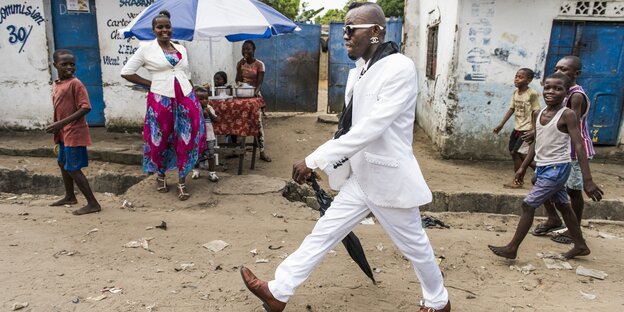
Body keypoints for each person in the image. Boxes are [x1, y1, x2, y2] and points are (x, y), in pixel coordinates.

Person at [240, 3, 450, 312]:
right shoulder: (361, 71)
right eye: (344, 29)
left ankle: (438, 301)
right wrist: (329, 164)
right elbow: (347, 129)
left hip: (388, 178)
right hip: (361, 177)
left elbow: (372, 128)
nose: (345, 36)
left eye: (352, 29)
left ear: (376, 32)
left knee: (415, 246)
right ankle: (278, 291)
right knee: (323, 232)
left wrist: (315, 159)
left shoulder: (399, 68)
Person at [488, 72, 603, 260]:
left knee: (528, 205)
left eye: (558, 89)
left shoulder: (567, 115)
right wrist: (523, 167)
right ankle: (581, 245)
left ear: (566, 93)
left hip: (558, 168)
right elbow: (536, 144)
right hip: (543, 167)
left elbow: (579, 146)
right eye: (548, 87)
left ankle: (512, 248)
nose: (551, 91)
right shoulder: (538, 113)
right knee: (564, 206)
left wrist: (588, 180)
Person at [121, 10, 205, 201]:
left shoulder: (181, 48)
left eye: (167, 26)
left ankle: (182, 182)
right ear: (153, 30)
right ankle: (160, 175)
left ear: (171, 28)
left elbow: (186, 74)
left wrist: (195, 99)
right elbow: (126, 71)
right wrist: (151, 84)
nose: (164, 30)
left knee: (185, 138)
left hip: (185, 98)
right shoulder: (146, 49)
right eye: (160, 27)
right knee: (161, 139)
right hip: (161, 99)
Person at [532, 56, 597, 242]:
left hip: (573, 151)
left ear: (576, 74)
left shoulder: (576, 95)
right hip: (558, 149)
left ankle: (573, 228)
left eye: (564, 69)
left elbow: (570, 126)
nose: (559, 73)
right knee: (541, 181)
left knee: (573, 191)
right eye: (557, 68)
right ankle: (553, 218)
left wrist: (588, 179)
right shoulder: (561, 91)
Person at [46, 49, 101, 216]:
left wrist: (60, 123)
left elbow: (85, 107)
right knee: (63, 163)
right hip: (63, 132)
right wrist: (57, 126)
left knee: (73, 167)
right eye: (64, 64)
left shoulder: (76, 83)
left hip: (74, 132)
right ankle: (70, 196)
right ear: (55, 65)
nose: (69, 67)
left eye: (72, 64)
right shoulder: (57, 83)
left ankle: (93, 203)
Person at [493, 68, 541, 188]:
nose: (517, 79)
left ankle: (539, 173)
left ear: (529, 80)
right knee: (514, 153)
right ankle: (520, 180)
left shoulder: (532, 94)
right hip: (517, 128)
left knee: (520, 153)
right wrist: (501, 124)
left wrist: (534, 130)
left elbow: (536, 111)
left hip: (527, 129)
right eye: (516, 76)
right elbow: (512, 109)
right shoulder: (515, 93)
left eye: (521, 77)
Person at [235, 40, 271, 162]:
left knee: (257, 123)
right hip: (241, 95)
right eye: (244, 49)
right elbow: (238, 81)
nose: (246, 51)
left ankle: (262, 151)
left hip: (254, 95)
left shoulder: (259, 64)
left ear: (254, 50)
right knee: (237, 119)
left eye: (248, 49)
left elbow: (259, 83)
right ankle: (236, 148)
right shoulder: (240, 64)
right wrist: (239, 67)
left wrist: (254, 94)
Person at [192, 86, 219, 182]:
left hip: (209, 137)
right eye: (201, 99)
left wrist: (209, 114)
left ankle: (212, 173)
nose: (204, 101)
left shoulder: (209, 108)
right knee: (196, 154)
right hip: (197, 137)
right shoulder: (193, 109)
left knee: (210, 155)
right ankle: (196, 171)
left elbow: (216, 120)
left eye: (206, 98)